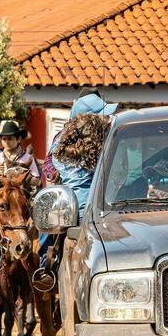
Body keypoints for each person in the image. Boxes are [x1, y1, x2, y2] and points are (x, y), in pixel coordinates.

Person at [33, 109, 113, 292]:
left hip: (69, 209)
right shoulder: (103, 151)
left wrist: (54, 175)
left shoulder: (60, 151)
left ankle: (45, 268)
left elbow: (49, 165)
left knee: (47, 223)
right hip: (97, 212)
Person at [0, 120, 44, 184]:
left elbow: (36, 178)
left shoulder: (27, 157)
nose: (6, 142)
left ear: (18, 139)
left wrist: (25, 176)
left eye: (10, 139)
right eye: (4, 139)